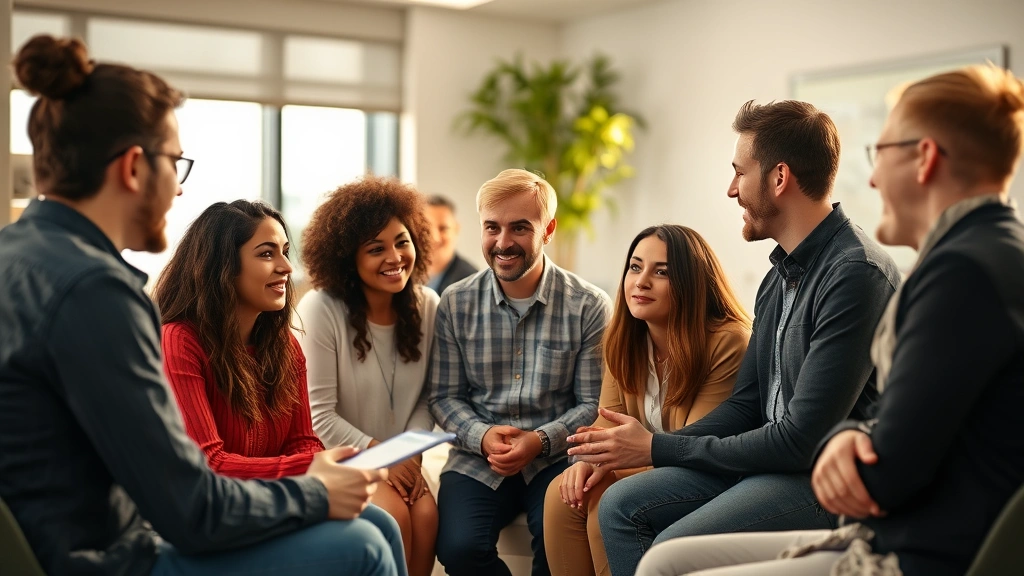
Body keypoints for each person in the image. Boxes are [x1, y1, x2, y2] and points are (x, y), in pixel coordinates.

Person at [0, 34, 402, 576]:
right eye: (176, 164)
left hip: (70, 540)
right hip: (102, 560)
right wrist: (312, 491)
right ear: (134, 168)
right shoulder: (96, 292)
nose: (179, 190)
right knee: (363, 546)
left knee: (374, 526)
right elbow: (190, 507)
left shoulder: (18, 254)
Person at [634, 64, 1024, 576]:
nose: (872, 177)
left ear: (925, 158)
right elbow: (913, 424)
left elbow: (885, 468)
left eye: (879, 153)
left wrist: (845, 440)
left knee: (666, 564)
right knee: (660, 552)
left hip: (912, 548)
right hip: (906, 525)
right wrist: (855, 435)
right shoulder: (983, 254)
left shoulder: (958, 272)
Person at [568, 100, 902, 576]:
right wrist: (642, 446)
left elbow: (799, 442)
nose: (731, 190)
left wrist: (656, 448)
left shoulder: (853, 274)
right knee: (621, 504)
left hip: (819, 481)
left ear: (778, 178)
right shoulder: (780, 274)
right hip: (771, 469)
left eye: (738, 172)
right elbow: (746, 407)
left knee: (670, 547)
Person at [429, 169, 612, 576]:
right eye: (492, 227)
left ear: (548, 229)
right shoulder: (455, 303)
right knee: (459, 548)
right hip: (476, 458)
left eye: (519, 228)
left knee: (555, 549)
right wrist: (483, 435)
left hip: (558, 461)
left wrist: (539, 440)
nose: (503, 242)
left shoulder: (589, 306)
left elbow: (593, 404)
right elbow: (443, 396)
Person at [543, 224, 752, 576]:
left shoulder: (728, 340)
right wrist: (587, 460)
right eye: (635, 267)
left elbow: (696, 444)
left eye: (662, 272)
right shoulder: (625, 338)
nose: (640, 282)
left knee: (605, 504)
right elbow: (609, 419)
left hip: (708, 472)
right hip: (647, 466)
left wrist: (607, 462)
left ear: (691, 281)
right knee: (563, 494)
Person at [296, 176, 439, 576]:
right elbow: (317, 415)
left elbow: (429, 396)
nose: (394, 257)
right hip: (342, 459)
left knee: (426, 516)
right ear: (348, 259)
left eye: (402, 241)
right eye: (376, 249)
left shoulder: (427, 304)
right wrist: (381, 457)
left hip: (402, 457)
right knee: (395, 516)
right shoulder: (320, 309)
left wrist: (406, 454)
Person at [155, 200, 325, 478]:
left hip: (281, 499)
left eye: (285, 252)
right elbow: (208, 463)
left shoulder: (286, 346)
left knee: (379, 519)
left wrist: (327, 465)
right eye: (267, 254)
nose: (287, 267)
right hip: (217, 511)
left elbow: (302, 441)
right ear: (223, 266)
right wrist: (317, 466)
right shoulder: (178, 342)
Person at [424, 194, 477, 294]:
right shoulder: (408, 276)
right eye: (427, 229)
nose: (435, 238)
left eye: (443, 228)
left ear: (456, 229)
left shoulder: (471, 283)